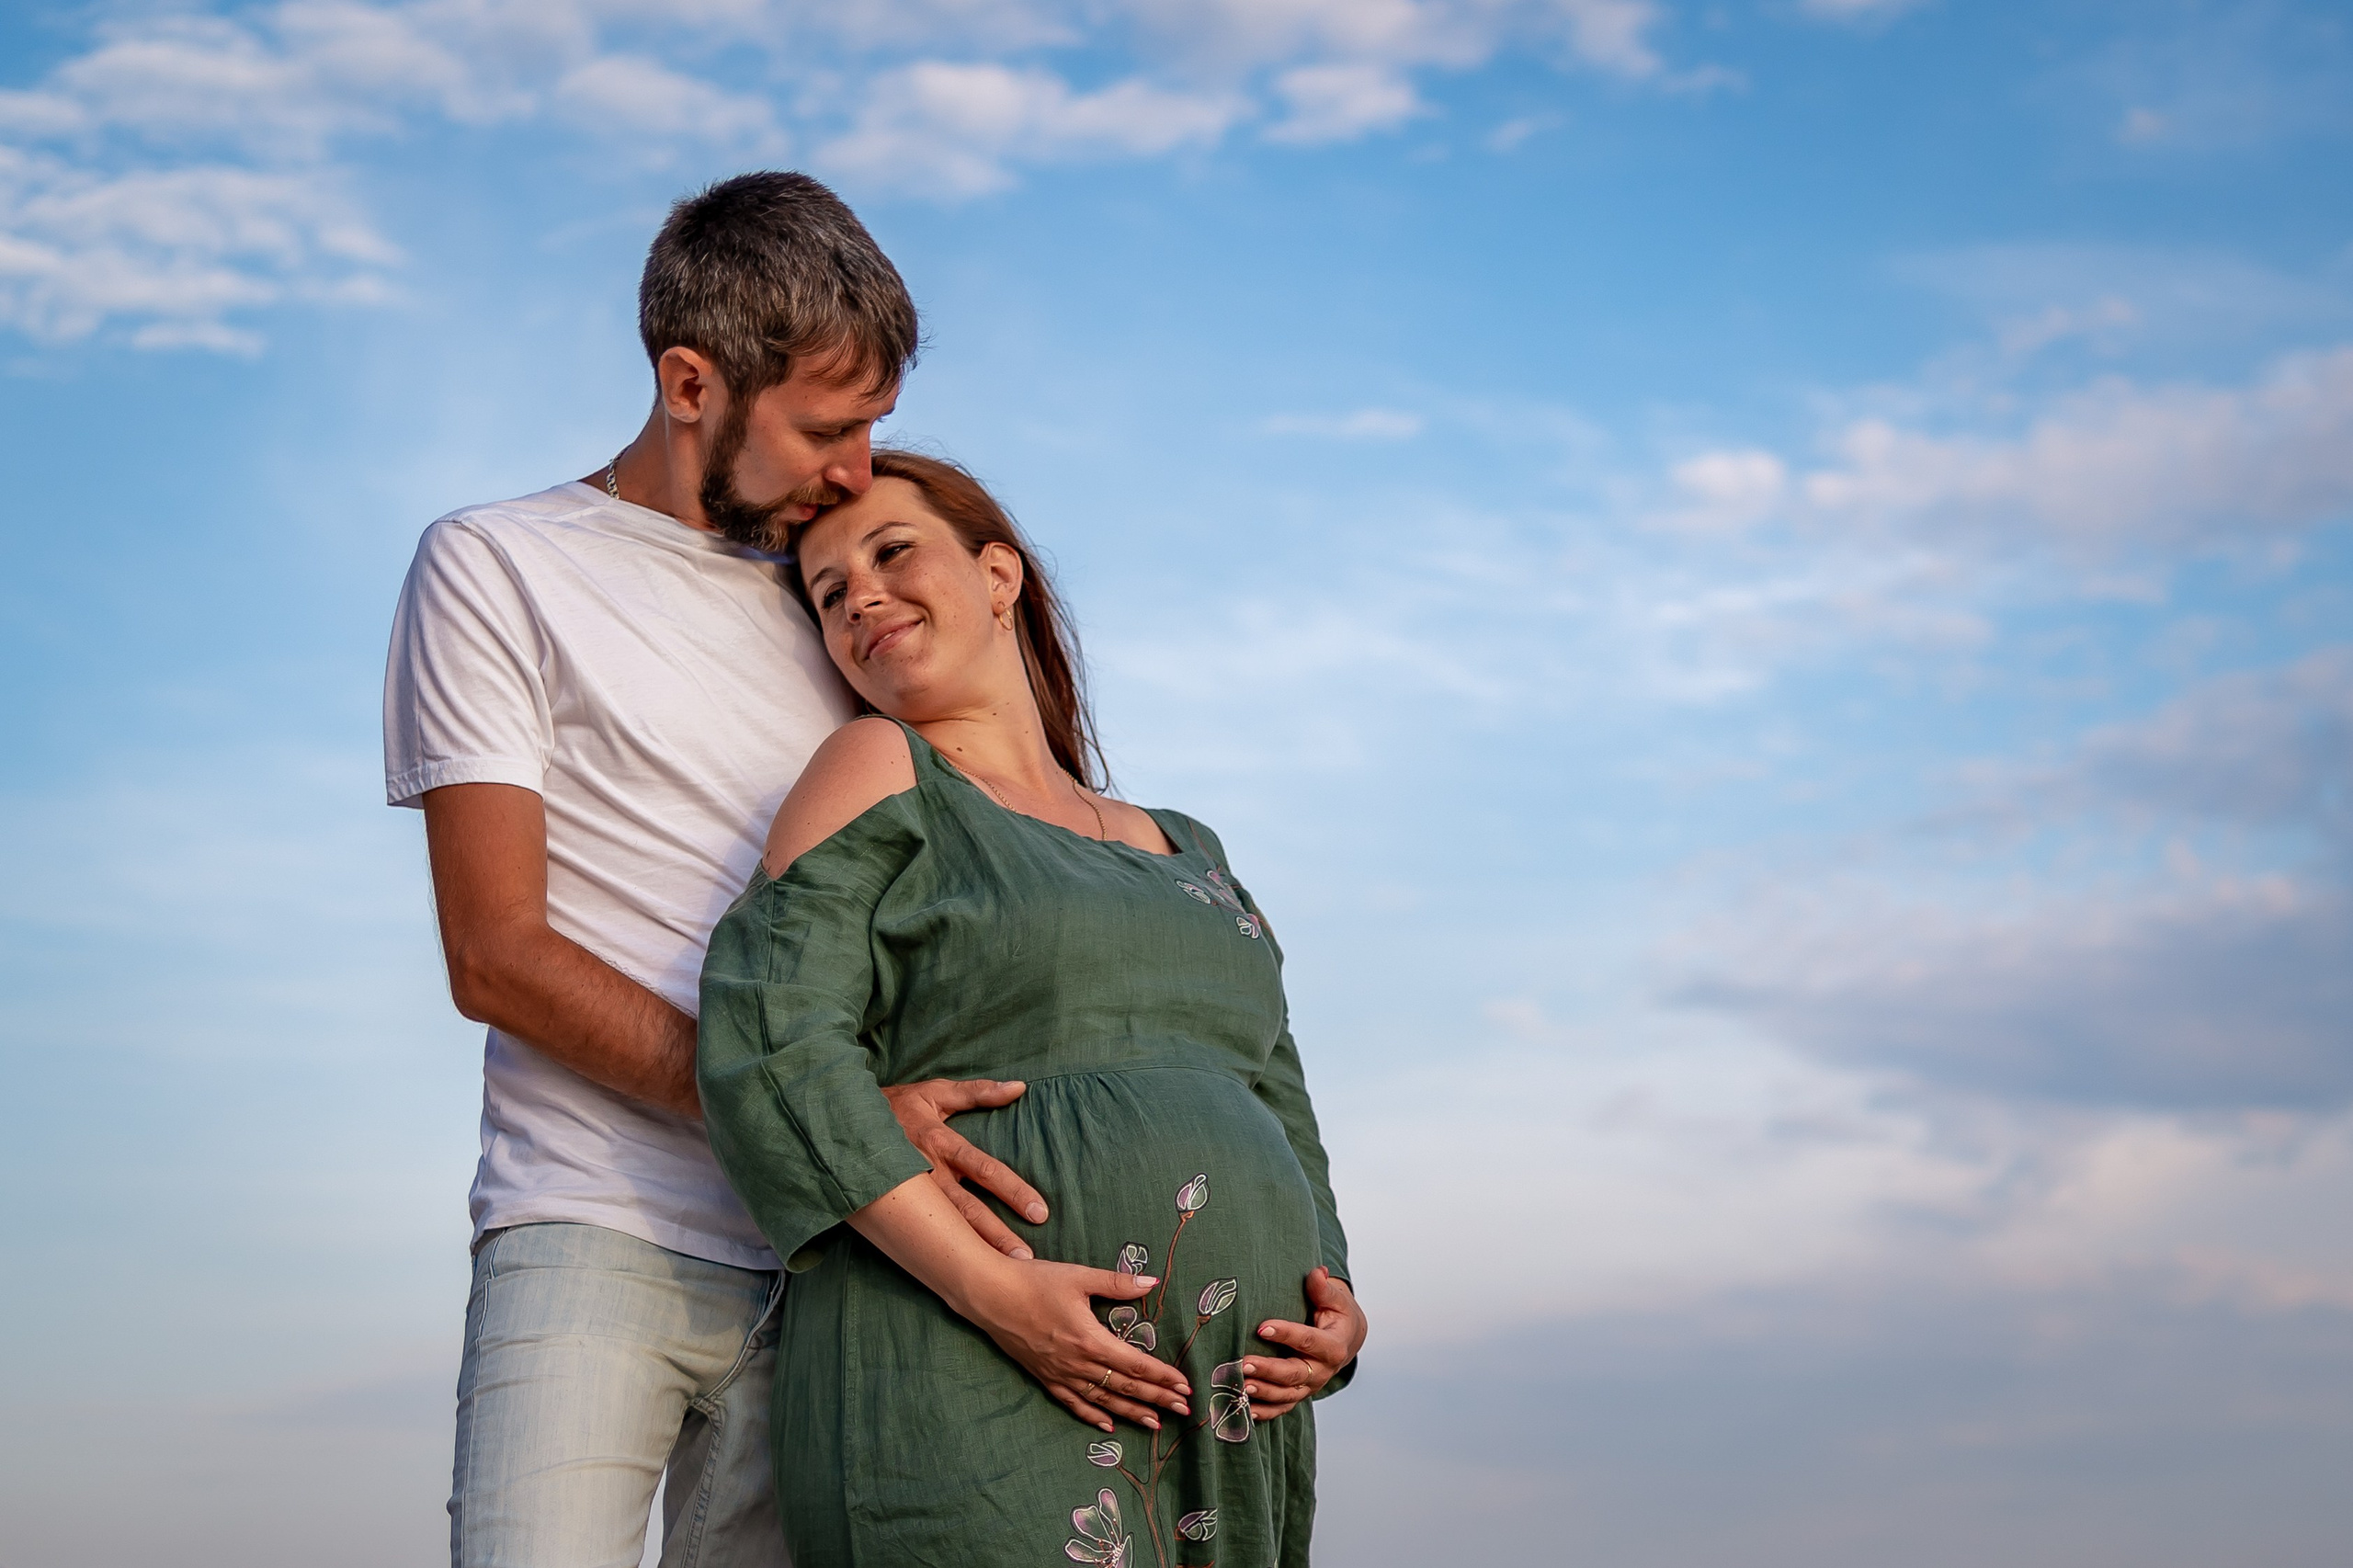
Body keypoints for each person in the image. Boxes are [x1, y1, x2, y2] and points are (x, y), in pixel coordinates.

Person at [383, 172, 1056, 1568]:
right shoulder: (497, 564)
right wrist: (817, 1114)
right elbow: (494, 952)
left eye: (872, 422)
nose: (859, 468)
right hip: (592, 1227)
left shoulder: (843, 605)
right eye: (826, 425)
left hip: (845, 1265)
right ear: (691, 382)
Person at [697, 449, 1370, 1568]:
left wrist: (1336, 1299)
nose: (858, 594)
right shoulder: (879, 766)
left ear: (999, 574)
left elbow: (1275, 1090)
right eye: (825, 592)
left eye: (891, 550)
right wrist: (996, 1289)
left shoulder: (1189, 847)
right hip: (966, 1359)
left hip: (1231, 1403)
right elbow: (771, 1039)